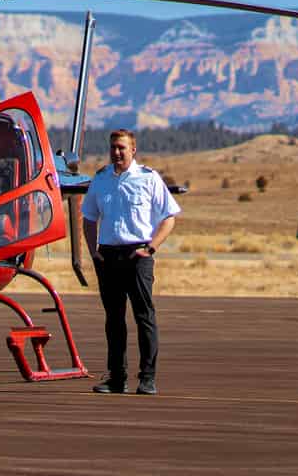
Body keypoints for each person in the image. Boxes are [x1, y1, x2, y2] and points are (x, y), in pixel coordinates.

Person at [81, 129, 180, 395]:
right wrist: (94, 252)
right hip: (109, 256)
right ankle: (117, 378)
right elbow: (88, 217)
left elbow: (169, 216)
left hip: (138, 256)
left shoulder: (148, 179)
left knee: (144, 317)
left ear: (133, 150)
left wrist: (151, 247)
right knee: (113, 320)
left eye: (122, 148)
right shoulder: (101, 180)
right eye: (113, 147)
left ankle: (147, 377)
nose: (116, 152)